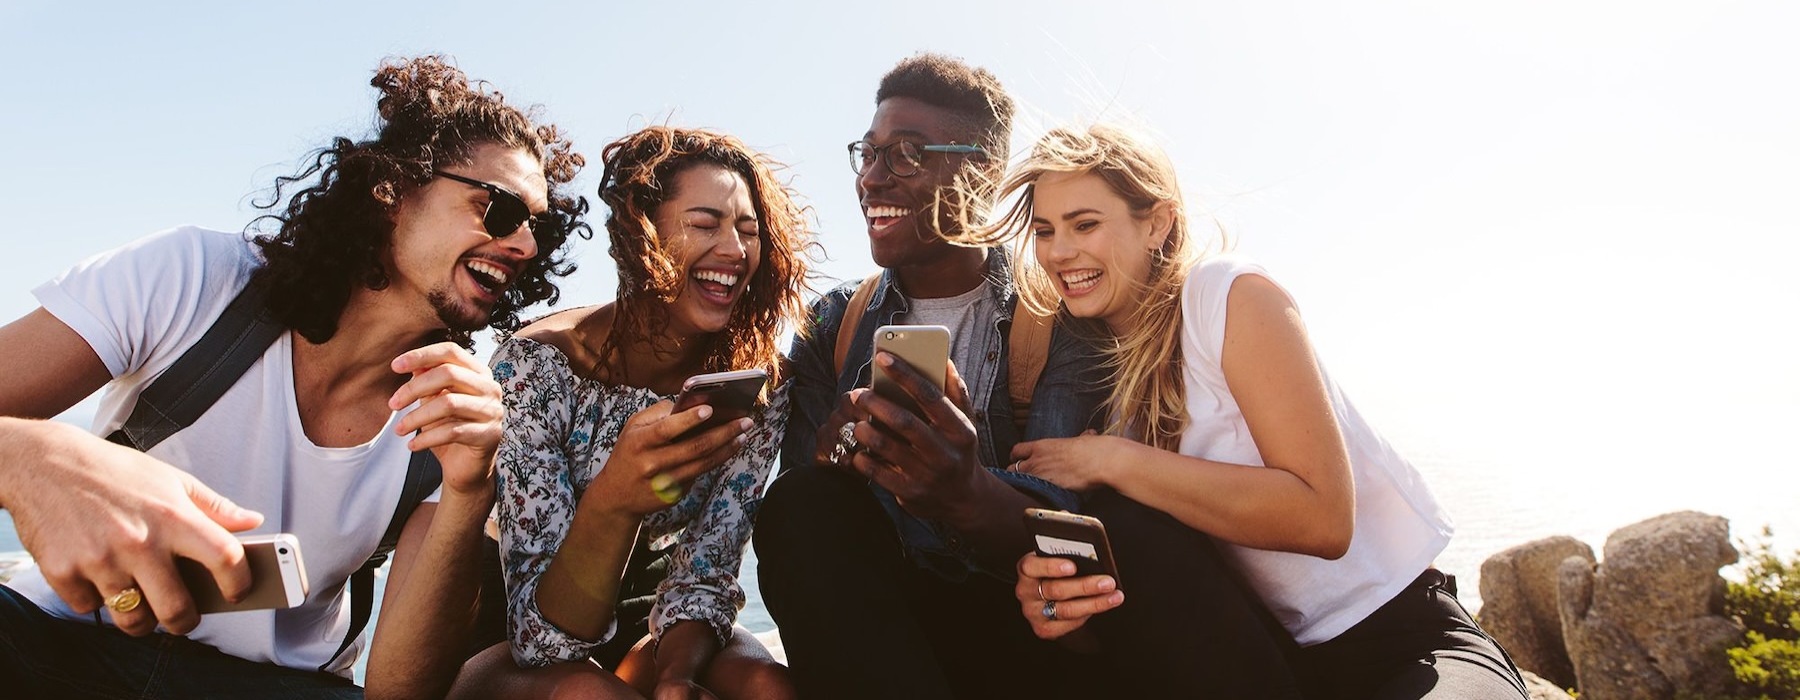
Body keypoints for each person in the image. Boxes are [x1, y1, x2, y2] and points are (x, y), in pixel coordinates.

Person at [0, 55, 586, 699]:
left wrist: (470, 488)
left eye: (543, 226)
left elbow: (400, 690)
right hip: (59, 642)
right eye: (498, 209)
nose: (527, 245)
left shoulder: (455, 413)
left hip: (277, 685)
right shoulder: (193, 279)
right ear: (390, 190)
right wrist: (35, 456)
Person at [754, 53, 1293, 699]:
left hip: (1025, 618)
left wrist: (963, 487)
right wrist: (838, 456)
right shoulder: (838, 319)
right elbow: (803, 510)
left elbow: (1068, 512)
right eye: (867, 154)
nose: (873, 178)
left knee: (1128, 530)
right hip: (889, 627)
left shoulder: (1057, 311)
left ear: (980, 171)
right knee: (800, 504)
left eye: (905, 154)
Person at [977, 123, 1531, 699]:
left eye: (1084, 224)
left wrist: (1114, 461)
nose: (1060, 252)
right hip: (1263, 658)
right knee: (1124, 529)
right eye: (1044, 231)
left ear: (1157, 222)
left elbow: (1324, 518)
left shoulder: (1226, 296)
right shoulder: (1100, 395)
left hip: (1402, 637)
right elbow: (1135, 618)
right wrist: (1061, 613)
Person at [448, 126, 809, 700]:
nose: (736, 252)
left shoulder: (757, 384)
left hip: (657, 621)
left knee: (769, 686)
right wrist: (615, 500)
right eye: (705, 224)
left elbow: (707, 571)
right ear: (643, 232)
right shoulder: (537, 367)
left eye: (748, 231)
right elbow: (543, 645)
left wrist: (677, 677)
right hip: (514, 632)